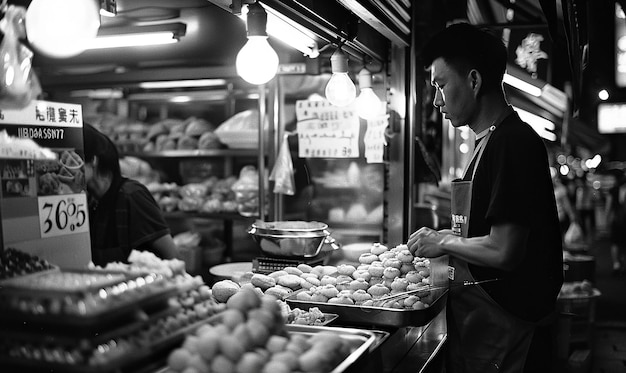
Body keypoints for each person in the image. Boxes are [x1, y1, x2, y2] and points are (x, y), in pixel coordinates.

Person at [407, 23, 564, 373]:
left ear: (474, 81)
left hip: (511, 331)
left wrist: (444, 241)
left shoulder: (513, 142)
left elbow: (504, 250)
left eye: (441, 85)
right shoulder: (488, 141)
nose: (436, 100)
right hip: (485, 325)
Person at [83, 123, 178, 266]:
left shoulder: (132, 195)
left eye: (73, 159)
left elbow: (174, 258)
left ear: (93, 161)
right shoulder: (90, 202)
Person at [605, 172, 626, 275]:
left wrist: (607, 219)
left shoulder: (613, 190)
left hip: (616, 219)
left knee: (615, 242)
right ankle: (622, 261)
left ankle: (616, 263)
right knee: (622, 242)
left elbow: (608, 207)